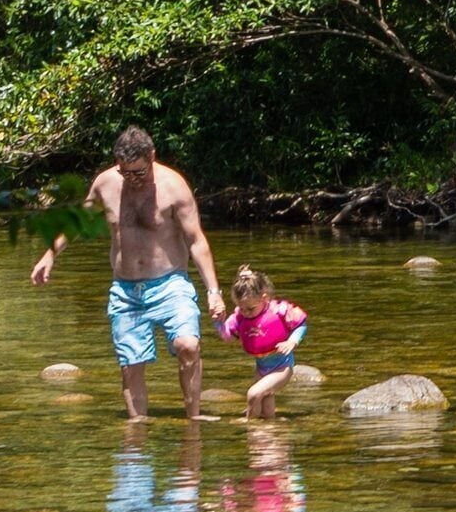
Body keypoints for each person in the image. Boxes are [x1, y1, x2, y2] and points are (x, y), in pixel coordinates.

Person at [30, 126, 226, 421]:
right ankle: (137, 438)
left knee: (188, 345)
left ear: (152, 156)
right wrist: (50, 254)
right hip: (125, 289)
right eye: (125, 173)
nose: (132, 180)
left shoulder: (174, 186)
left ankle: (193, 421)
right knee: (131, 365)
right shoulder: (105, 183)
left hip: (170, 283)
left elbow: (196, 241)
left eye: (138, 172)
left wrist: (213, 291)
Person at [219, 267, 309, 421]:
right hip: (261, 368)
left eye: (250, 309)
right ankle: (269, 430)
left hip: (282, 366)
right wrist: (218, 321)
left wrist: (292, 341)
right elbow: (227, 336)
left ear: (264, 298)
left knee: (253, 394)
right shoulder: (240, 317)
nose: (246, 312)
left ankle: (250, 425)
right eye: (242, 308)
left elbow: (302, 324)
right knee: (266, 406)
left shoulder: (279, 311)